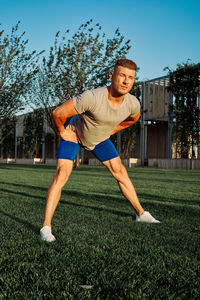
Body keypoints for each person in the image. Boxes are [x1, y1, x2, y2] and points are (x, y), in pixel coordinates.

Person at [40, 59, 160, 242]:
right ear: (112, 76)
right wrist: (63, 132)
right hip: (75, 136)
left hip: (100, 140)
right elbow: (58, 113)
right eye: (122, 76)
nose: (126, 81)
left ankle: (141, 213)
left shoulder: (133, 103)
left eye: (131, 78)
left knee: (120, 172)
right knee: (62, 174)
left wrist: (113, 130)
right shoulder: (92, 97)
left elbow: (133, 119)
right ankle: (46, 228)